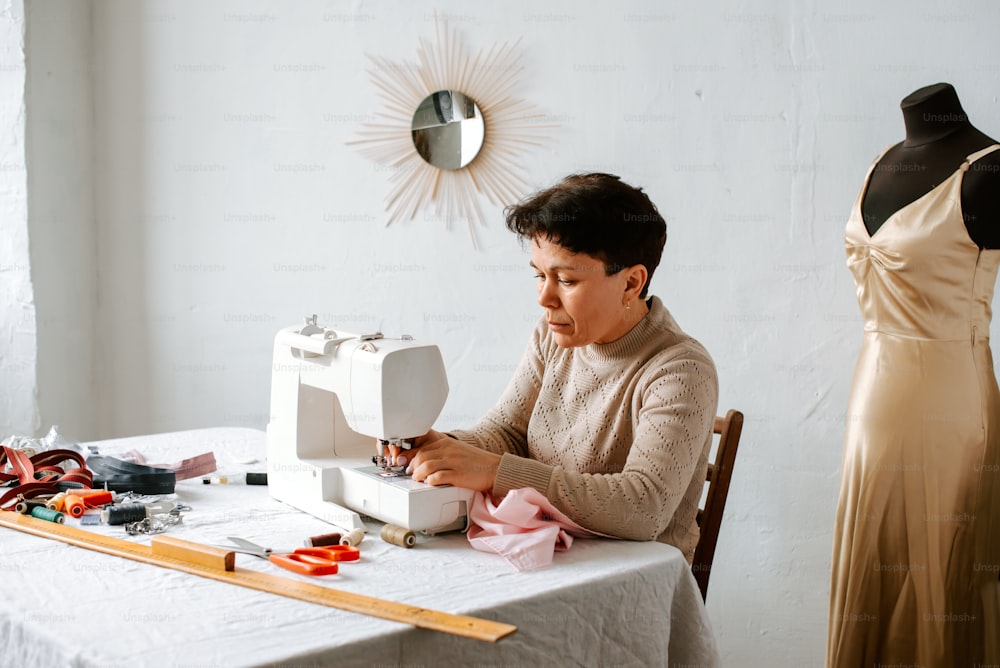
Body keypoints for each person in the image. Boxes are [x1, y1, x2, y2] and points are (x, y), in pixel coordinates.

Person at [404, 172, 719, 561]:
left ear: (631, 283)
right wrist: (439, 446)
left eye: (566, 280)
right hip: (551, 549)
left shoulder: (680, 370)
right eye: (539, 275)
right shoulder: (553, 336)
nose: (544, 298)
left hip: (634, 579)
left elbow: (643, 508)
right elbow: (508, 431)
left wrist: (495, 471)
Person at [829, 83, 1000, 666]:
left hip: (946, 394)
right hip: (871, 389)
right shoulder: (882, 161)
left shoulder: (991, 170)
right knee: (871, 551)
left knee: (941, 553)